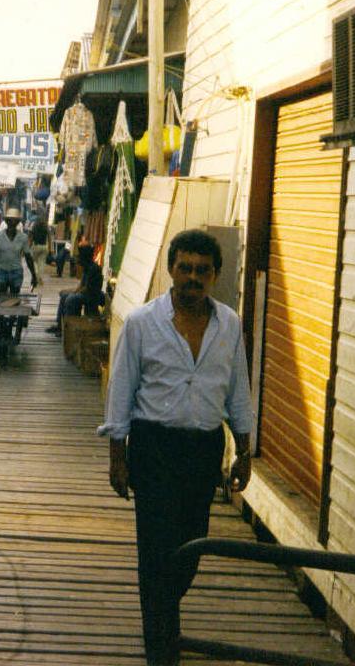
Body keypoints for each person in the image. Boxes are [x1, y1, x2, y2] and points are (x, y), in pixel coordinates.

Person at [99, 229, 253, 666]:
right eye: (184, 268)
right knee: (155, 551)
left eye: (202, 271)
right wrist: (117, 456)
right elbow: (121, 390)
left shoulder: (230, 325)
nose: (192, 277)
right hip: (154, 448)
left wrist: (243, 450)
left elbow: (238, 390)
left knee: (189, 551)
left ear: (215, 275)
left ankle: (165, 618)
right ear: (170, 270)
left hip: (203, 451)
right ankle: (161, 648)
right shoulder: (142, 323)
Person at [46, 244, 104, 336]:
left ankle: (70, 327)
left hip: (92, 295)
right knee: (64, 296)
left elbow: (88, 288)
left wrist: (73, 293)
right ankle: (60, 325)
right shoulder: (87, 268)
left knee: (71, 299)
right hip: (86, 292)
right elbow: (81, 285)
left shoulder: (94, 269)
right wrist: (71, 291)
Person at [0, 207, 38, 294]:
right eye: (9, 220)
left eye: (14, 220)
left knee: (14, 299)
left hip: (16, 272)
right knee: (0, 297)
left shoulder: (23, 238)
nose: (12, 223)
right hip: (1, 271)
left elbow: (28, 257)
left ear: (18, 222)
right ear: (6, 221)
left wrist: (33, 276)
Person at [28, 218, 49, 287]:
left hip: (36, 247)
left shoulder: (34, 226)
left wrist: (28, 247)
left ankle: (36, 275)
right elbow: (49, 237)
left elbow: (30, 238)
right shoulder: (46, 227)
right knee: (42, 263)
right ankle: (40, 277)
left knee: (34, 262)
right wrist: (51, 248)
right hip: (44, 247)